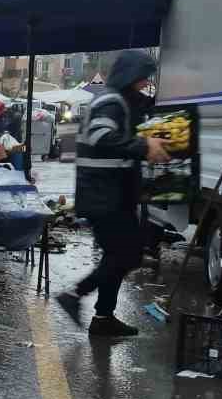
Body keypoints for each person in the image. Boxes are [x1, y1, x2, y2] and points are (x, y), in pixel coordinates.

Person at [56, 50, 170, 338]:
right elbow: (100, 135)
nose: (145, 83)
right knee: (127, 255)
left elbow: (141, 109)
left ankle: (103, 318)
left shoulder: (122, 100)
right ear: (130, 76)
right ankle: (74, 294)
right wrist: (144, 147)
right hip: (104, 197)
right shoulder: (110, 101)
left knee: (117, 256)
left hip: (111, 194)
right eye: (143, 77)